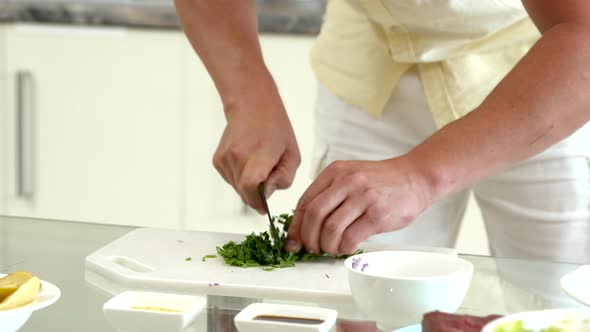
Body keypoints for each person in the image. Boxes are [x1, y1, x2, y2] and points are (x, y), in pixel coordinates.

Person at [174, 0, 590, 264]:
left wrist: (420, 174)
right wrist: (247, 98)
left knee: (556, 296)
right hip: (372, 60)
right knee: (357, 295)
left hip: (543, 73)